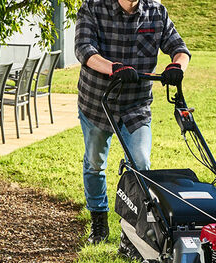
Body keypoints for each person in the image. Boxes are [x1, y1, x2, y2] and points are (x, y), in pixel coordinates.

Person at [74, 0, 191, 244]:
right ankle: (99, 220)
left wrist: (176, 66)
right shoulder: (93, 7)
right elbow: (84, 49)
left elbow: (179, 47)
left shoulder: (156, 12)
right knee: (95, 163)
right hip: (98, 102)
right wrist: (113, 68)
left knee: (141, 163)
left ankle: (131, 228)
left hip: (136, 104)